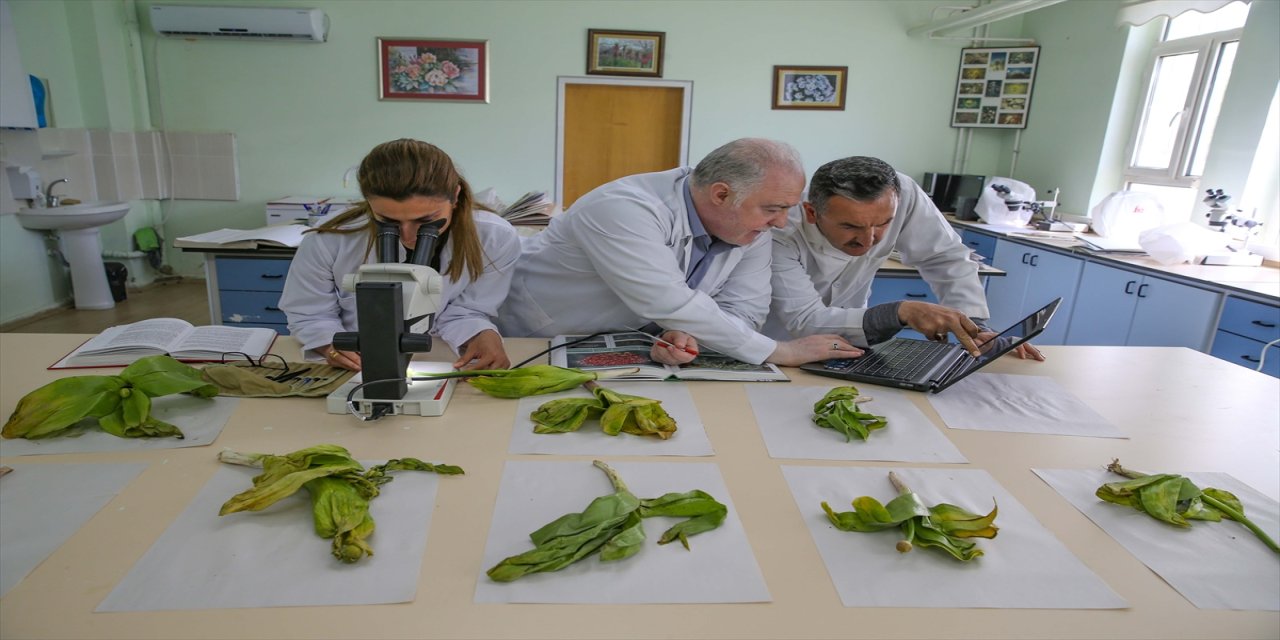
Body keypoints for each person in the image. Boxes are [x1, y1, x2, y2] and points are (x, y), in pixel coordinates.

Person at [496, 138, 859, 367]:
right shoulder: (624, 208)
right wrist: (782, 352)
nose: (782, 223)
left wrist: (689, 336)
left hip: (622, 348)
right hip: (529, 341)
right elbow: (666, 301)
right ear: (721, 195)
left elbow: (744, 312)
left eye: (787, 208)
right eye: (773, 209)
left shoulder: (752, 226)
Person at [767, 155, 1043, 360]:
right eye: (850, 226)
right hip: (781, 345)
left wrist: (972, 328)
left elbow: (946, 257)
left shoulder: (903, 193)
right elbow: (804, 319)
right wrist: (899, 312)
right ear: (812, 213)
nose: (869, 240)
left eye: (883, 224)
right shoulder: (781, 227)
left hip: (851, 343)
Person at [280, 138, 521, 371]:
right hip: (358, 361)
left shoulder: (494, 238)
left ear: (455, 196)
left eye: (426, 221)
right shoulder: (328, 238)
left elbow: (467, 311)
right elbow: (309, 313)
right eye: (388, 221)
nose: (408, 236)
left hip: (441, 355)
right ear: (369, 203)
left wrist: (482, 333)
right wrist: (330, 346)